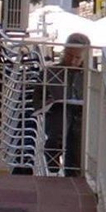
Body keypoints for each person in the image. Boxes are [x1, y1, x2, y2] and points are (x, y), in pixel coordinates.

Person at [42, 33, 88, 175]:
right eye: (69, 55)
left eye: (77, 58)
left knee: (77, 141)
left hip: (81, 114)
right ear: (64, 52)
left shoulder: (90, 75)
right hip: (58, 113)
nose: (73, 61)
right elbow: (37, 94)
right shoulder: (52, 71)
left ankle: (72, 173)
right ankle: (53, 152)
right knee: (62, 117)